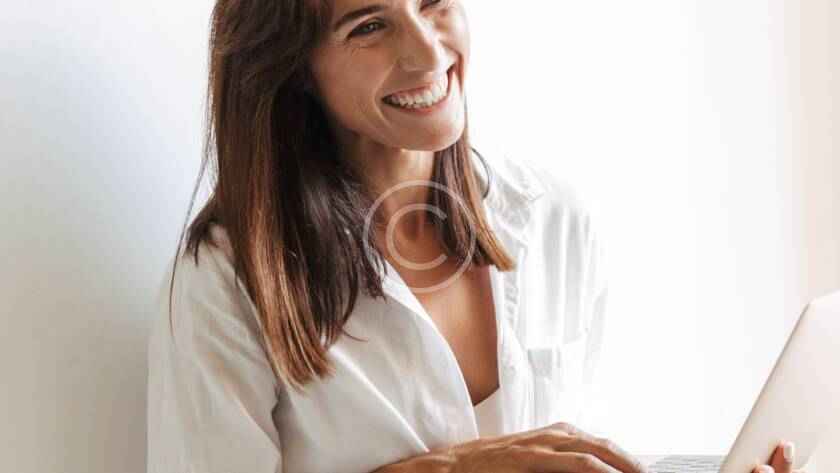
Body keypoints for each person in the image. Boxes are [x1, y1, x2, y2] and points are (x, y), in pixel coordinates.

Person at [146, 1, 801, 472]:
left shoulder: (556, 221)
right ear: (295, 70)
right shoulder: (226, 280)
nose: (428, 53)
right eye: (369, 25)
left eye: (433, 1)